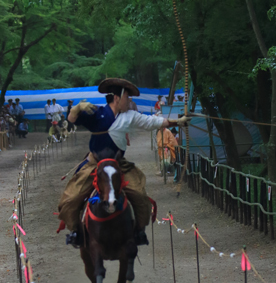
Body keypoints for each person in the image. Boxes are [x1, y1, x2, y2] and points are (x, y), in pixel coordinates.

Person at [58, 78, 190, 247]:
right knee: (71, 198)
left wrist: (177, 122)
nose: (130, 101)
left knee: (140, 195)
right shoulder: (97, 114)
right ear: (117, 98)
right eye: (127, 98)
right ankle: (76, 232)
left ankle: (139, 230)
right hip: (94, 164)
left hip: (118, 164)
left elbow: (152, 122)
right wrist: (77, 107)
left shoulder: (129, 116)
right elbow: (71, 119)